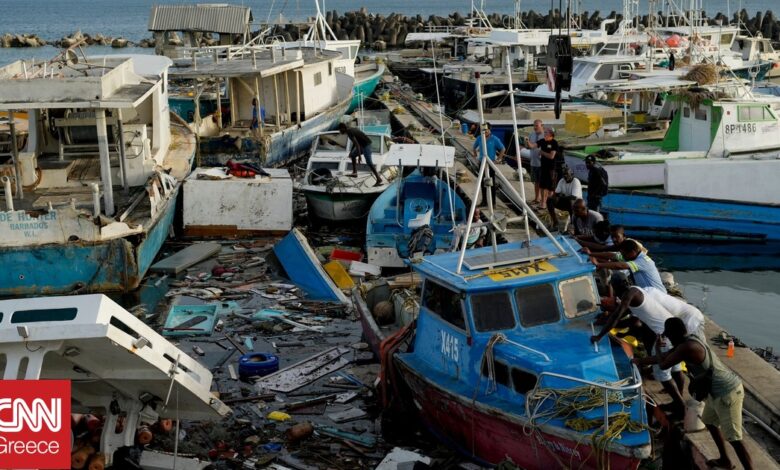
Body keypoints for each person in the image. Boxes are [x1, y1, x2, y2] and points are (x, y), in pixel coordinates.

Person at [634, 318, 753, 470]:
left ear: (674, 334)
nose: (667, 338)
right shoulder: (685, 342)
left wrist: (657, 348)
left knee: (734, 437)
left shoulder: (688, 347)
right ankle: (725, 460)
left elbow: (663, 365)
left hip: (727, 392)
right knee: (709, 421)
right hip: (714, 392)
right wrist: (638, 361)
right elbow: (665, 358)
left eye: (668, 335)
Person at [592, 286, 686, 418]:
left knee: (662, 374)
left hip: (664, 336)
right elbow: (622, 316)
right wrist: (605, 319)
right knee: (676, 369)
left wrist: (599, 336)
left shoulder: (629, 295)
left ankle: (681, 407)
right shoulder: (638, 291)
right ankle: (679, 402)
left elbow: (617, 315)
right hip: (672, 332)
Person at [590, 239, 666, 293]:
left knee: (618, 276)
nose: (623, 257)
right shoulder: (631, 256)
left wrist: (598, 264)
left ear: (632, 252)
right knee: (616, 277)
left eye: (624, 255)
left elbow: (620, 266)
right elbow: (611, 255)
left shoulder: (643, 260)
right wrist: (590, 253)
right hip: (646, 292)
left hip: (657, 295)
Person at [339, 123, 383, 187]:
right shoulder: (351, 129)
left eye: (340, 130)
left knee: (369, 162)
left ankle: (379, 179)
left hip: (366, 145)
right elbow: (355, 142)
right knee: (353, 155)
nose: (339, 131)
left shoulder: (349, 132)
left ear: (343, 128)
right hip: (362, 145)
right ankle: (355, 173)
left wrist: (359, 156)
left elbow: (357, 144)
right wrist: (351, 152)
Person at [472, 122, 506, 207]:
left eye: (487, 130)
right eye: (483, 130)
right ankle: (484, 201)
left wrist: (499, 159)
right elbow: (474, 147)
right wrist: (475, 154)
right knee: (482, 182)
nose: (485, 132)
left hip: (490, 163)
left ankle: (493, 202)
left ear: (490, 130)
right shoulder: (480, 138)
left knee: (492, 183)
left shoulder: (495, 139)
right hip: (481, 162)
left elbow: (502, 149)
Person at [546, 166, 582, 231]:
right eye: (564, 174)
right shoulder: (562, 180)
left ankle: (572, 224)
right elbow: (556, 193)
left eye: (567, 174)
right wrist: (558, 196)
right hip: (566, 201)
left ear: (571, 174)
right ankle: (555, 222)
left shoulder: (576, 181)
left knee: (571, 201)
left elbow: (573, 197)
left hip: (576, 204)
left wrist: (561, 196)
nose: (565, 176)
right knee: (550, 200)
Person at [519, 119, 545, 205]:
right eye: (534, 126)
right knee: (536, 182)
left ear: (542, 126)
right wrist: (526, 144)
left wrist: (529, 144)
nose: (535, 127)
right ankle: (537, 198)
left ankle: (543, 200)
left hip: (542, 164)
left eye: (537, 126)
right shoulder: (531, 134)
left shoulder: (545, 136)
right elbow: (528, 147)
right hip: (533, 162)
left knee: (542, 183)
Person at [538, 128, 559, 209]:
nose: (544, 133)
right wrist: (528, 143)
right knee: (542, 186)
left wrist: (542, 152)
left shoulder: (554, 143)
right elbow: (533, 145)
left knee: (550, 188)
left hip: (551, 168)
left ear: (551, 134)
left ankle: (550, 203)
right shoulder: (543, 141)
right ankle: (543, 203)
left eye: (546, 132)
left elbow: (551, 156)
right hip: (543, 167)